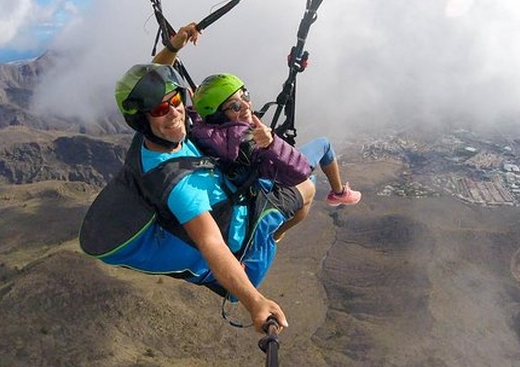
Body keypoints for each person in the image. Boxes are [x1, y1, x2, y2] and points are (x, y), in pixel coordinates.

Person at [80, 23, 315, 333]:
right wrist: (255, 302)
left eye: (176, 101)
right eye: (162, 109)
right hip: (242, 255)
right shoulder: (179, 185)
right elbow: (211, 244)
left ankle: (268, 233)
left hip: (227, 204)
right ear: (142, 120)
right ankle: (271, 236)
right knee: (307, 188)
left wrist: (174, 46)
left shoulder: (153, 139)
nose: (175, 113)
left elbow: (153, 75)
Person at [192, 73, 362, 207]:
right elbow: (301, 171)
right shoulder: (246, 141)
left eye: (245, 96)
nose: (246, 106)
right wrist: (271, 143)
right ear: (218, 115)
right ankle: (339, 193)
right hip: (274, 183)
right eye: (235, 106)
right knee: (324, 144)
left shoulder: (202, 129)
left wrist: (197, 105)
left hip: (245, 181)